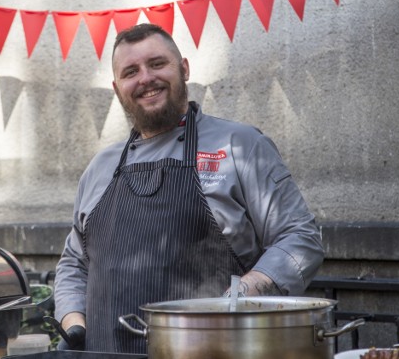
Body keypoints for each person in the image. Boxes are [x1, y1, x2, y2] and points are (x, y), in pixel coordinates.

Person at [53, 23, 325, 354]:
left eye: (157, 64)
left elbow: (300, 237)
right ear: (117, 87)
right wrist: (74, 322)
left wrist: (240, 299)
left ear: (183, 68)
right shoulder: (100, 168)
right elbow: (74, 262)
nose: (145, 79)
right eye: (131, 72)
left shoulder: (239, 145)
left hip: (215, 349)